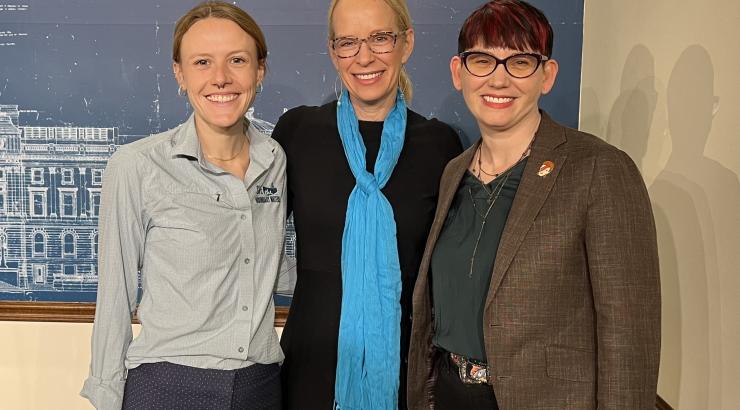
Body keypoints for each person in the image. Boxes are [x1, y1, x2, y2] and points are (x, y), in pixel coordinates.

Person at [406, 1, 661, 409]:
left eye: (520, 62)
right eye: (482, 60)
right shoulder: (454, 171)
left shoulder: (599, 169)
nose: (499, 79)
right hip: (451, 396)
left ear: (547, 75)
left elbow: (629, 338)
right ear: (459, 72)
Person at [80, 2, 287, 409]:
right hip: (166, 384)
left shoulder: (275, 160)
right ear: (179, 73)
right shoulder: (136, 167)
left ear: (259, 70)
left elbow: (265, 262)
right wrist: (106, 393)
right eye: (202, 62)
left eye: (238, 60)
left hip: (260, 385)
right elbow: (116, 292)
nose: (221, 78)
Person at [272, 0, 462, 408]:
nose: (364, 56)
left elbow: (450, 275)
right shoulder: (297, 133)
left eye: (380, 38)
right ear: (332, 50)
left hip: (405, 375)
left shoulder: (441, 145)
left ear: (406, 43)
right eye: (348, 42)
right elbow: (249, 239)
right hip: (309, 371)